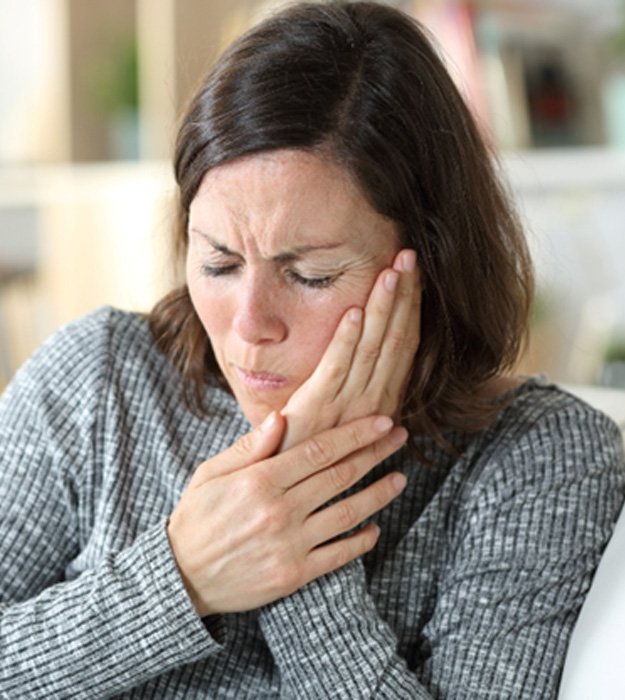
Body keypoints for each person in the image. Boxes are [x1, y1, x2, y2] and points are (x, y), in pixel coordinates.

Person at [1, 2, 623, 697]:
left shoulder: (537, 457)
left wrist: (294, 539)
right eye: (218, 263)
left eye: (310, 276)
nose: (249, 323)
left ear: (432, 264)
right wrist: (177, 578)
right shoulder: (97, 377)